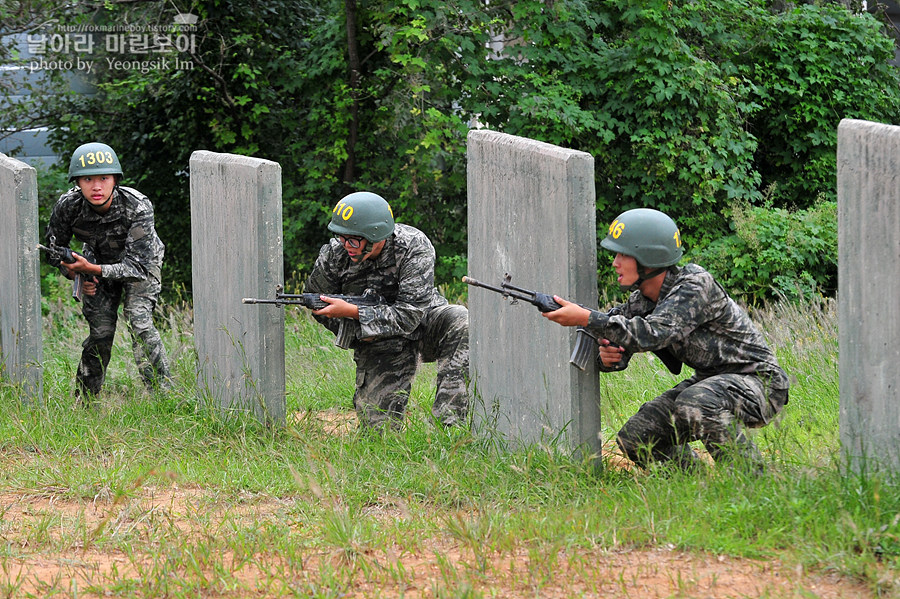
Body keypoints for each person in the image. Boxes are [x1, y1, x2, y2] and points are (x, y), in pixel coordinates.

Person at [543, 208, 789, 471]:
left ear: (648, 258)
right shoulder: (643, 300)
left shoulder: (695, 285)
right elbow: (621, 339)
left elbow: (653, 333)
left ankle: (751, 480)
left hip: (760, 383)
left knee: (696, 400)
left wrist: (586, 318)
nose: (615, 262)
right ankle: (694, 481)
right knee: (636, 437)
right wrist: (609, 356)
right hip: (711, 382)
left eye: (623, 254)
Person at [303, 191, 470, 429]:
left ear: (374, 236)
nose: (346, 246)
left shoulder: (413, 246)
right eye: (342, 237)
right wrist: (361, 331)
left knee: (461, 320)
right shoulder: (334, 255)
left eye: (353, 239)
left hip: (424, 325)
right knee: (379, 433)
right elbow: (318, 303)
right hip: (379, 342)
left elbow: (410, 314)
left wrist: (354, 313)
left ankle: (449, 426)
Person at [44, 142, 171, 402]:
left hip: (140, 265)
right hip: (93, 261)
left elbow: (136, 266)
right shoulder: (68, 206)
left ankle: (164, 396)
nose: (97, 186)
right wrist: (75, 274)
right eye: (88, 179)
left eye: (104, 178)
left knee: (139, 320)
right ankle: (85, 401)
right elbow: (53, 251)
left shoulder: (137, 206)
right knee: (101, 331)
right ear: (77, 182)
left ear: (116, 180)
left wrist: (90, 269)